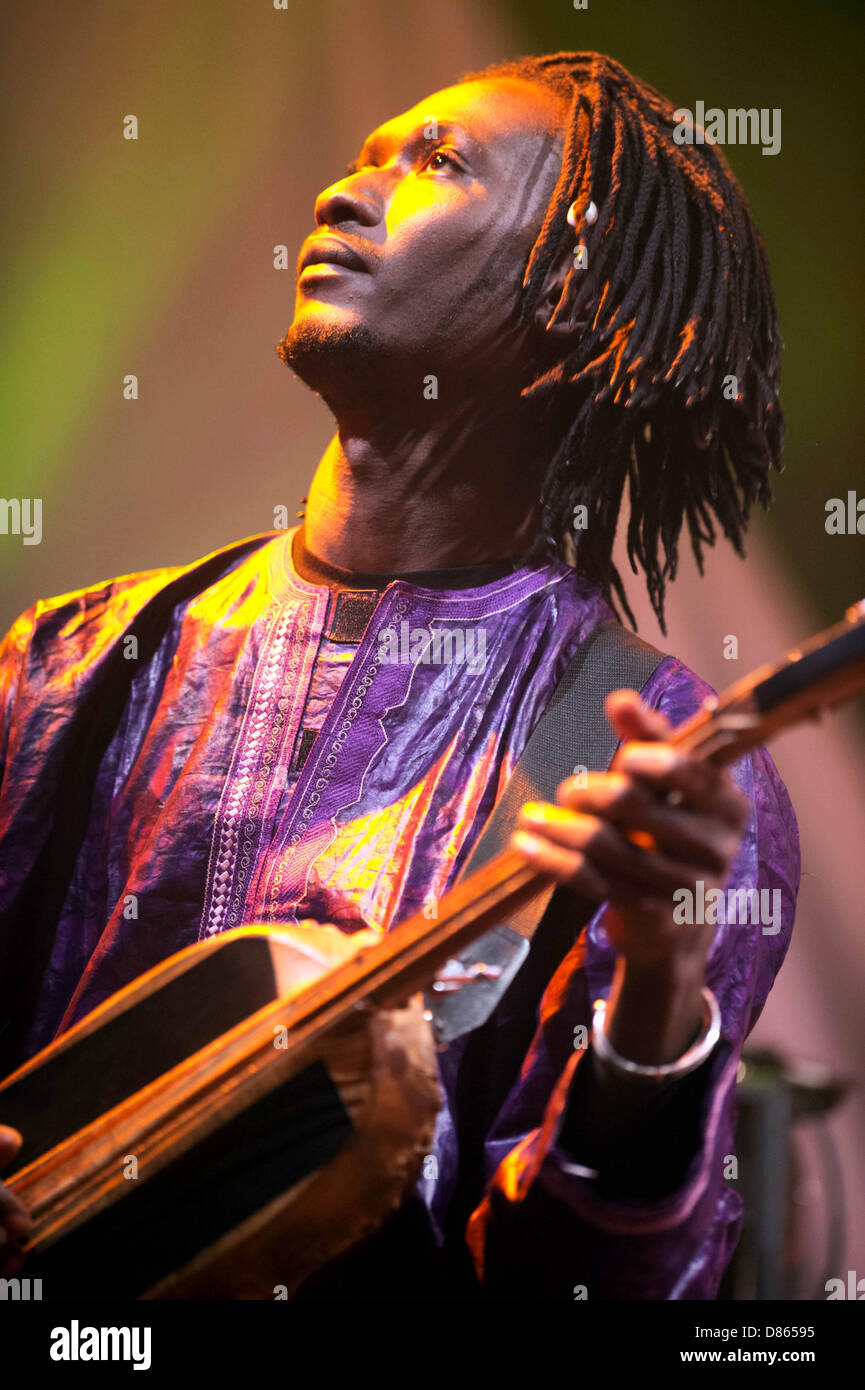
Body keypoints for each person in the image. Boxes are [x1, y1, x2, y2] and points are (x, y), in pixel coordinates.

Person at [0, 52, 799, 1298]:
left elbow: (586, 1287)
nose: (342, 190)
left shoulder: (642, 754)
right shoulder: (74, 655)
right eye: (368, 152)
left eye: (436, 164)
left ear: (574, 293)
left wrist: (658, 993)